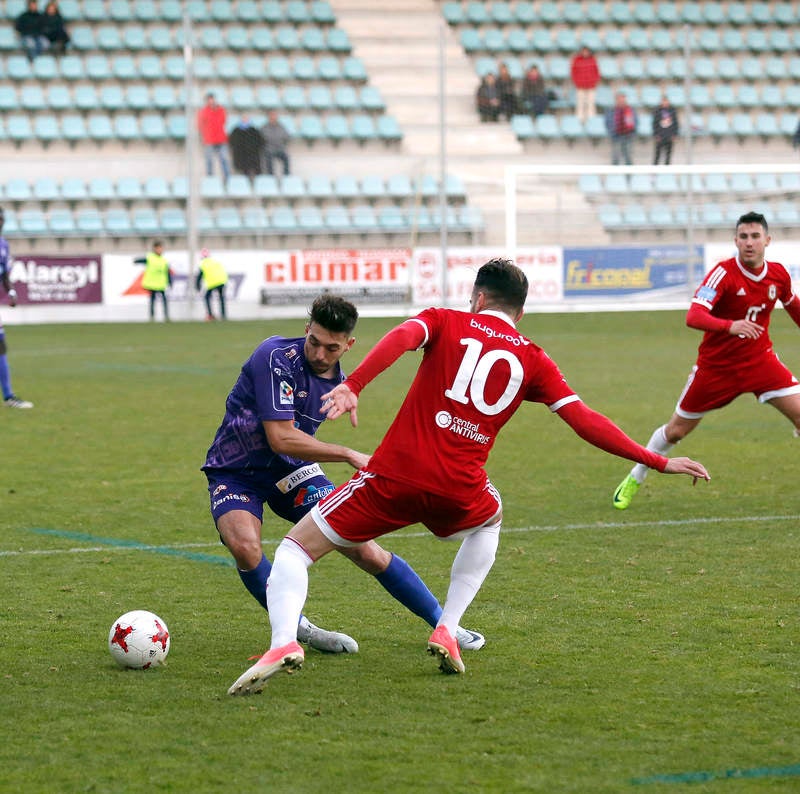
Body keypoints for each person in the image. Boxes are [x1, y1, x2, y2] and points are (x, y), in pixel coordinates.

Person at [227, 259, 709, 695]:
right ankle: (447, 625)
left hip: (392, 476)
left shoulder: (444, 320)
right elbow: (585, 419)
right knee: (491, 518)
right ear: (518, 313)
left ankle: (284, 642)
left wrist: (354, 384)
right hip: (461, 489)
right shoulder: (534, 358)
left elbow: (399, 337)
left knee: (294, 549)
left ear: (478, 298)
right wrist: (658, 460)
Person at [203, 295, 485, 660]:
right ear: (306, 330)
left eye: (331, 347)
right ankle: (299, 629)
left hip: (293, 469)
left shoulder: (340, 384)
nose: (320, 354)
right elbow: (280, 437)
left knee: (362, 547)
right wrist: (348, 453)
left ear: (348, 345)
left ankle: (446, 625)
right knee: (245, 546)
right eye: (314, 342)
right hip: (235, 468)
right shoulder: (275, 357)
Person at [614, 211, 800, 509]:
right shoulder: (723, 273)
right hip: (716, 370)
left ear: (767, 240)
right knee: (675, 431)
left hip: (761, 362)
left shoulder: (778, 274)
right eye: (743, 237)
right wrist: (731, 325)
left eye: (755, 237)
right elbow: (694, 315)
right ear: (735, 240)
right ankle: (637, 475)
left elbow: (793, 306)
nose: (749, 243)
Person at [0, 208, 33, 409]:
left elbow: (4, 273)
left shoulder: (3, 245)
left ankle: (9, 396)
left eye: (2, 218)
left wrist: (11, 292)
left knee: (1, 347)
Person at [134, 240, 171, 322]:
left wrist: (169, 282)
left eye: (161, 248)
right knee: (152, 300)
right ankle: (152, 316)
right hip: (152, 284)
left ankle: (166, 316)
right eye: (158, 248)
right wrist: (136, 261)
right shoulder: (150, 257)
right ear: (154, 249)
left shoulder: (164, 260)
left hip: (161, 284)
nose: (160, 250)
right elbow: (141, 260)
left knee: (164, 300)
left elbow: (167, 272)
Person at [197, 92, 230, 181]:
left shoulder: (221, 109)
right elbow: (200, 125)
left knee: (224, 159)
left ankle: (227, 179)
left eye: (212, 99)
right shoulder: (203, 111)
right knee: (209, 161)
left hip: (221, 138)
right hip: (209, 139)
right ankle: (210, 180)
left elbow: (223, 121)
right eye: (209, 100)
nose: (211, 101)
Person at [605, 91, 637, 165]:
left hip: (628, 136)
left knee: (628, 156)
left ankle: (629, 175)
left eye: (623, 99)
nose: (621, 101)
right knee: (615, 157)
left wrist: (632, 132)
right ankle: (614, 175)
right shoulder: (611, 110)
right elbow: (608, 122)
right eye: (619, 99)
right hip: (616, 136)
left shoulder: (630, 109)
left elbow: (635, 121)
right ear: (616, 100)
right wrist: (611, 132)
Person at [195, 248, 228, 321]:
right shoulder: (215, 261)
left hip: (212, 282)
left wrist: (197, 286)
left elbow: (199, 277)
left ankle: (210, 315)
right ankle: (223, 315)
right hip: (222, 281)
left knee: (206, 297)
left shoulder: (203, 264)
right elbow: (222, 271)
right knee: (221, 298)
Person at [570, 46, 600, 124]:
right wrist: (577, 83)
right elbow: (573, 72)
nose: (585, 53)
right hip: (580, 86)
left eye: (587, 51)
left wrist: (594, 82)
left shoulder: (593, 60)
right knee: (580, 104)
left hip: (591, 86)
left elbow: (597, 72)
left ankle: (591, 121)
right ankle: (579, 120)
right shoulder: (577, 60)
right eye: (584, 51)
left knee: (591, 104)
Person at [228, 115, 263, 180]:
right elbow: (232, 142)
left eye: (246, 119)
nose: (245, 121)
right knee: (242, 171)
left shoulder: (254, 130)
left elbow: (260, 141)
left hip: (252, 154)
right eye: (243, 119)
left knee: (254, 169)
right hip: (240, 155)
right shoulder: (236, 130)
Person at [261, 111, 290, 177]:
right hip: (269, 149)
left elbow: (286, 136)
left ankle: (286, 176)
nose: (273, 118)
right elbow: (263, 138)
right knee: (268, 158)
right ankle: (270, 176)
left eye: (274, 116)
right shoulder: (264, 127)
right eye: (272, 116)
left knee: (286, 157)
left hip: (280, 148)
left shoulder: (281, 127)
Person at [652, 95, 679, 165]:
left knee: (668, 155)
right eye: (663, 101)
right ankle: (654, 171)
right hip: (660, 136)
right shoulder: (657, 111)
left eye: (666, 101)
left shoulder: (672, 110)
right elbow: (655, 124)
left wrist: (674, 134)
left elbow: (676, 123)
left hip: (669, 136)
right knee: (657, 155)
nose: (665, 103)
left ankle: (667, 172)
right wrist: (656, 134)